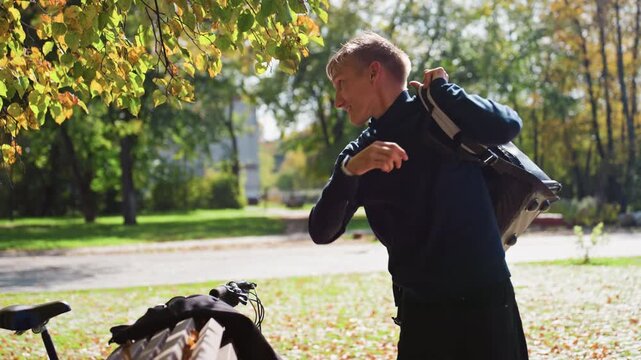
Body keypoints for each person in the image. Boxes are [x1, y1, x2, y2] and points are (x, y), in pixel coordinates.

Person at [308, 31, 529, 360]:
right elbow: (321, 231)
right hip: (422, 316)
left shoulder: (440, 114)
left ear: (373, 72)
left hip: (487, 303)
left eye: (341, 83)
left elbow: (507, 125)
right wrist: (350, 171)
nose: (338, 100)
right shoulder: (359, 154)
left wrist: (444, 91)